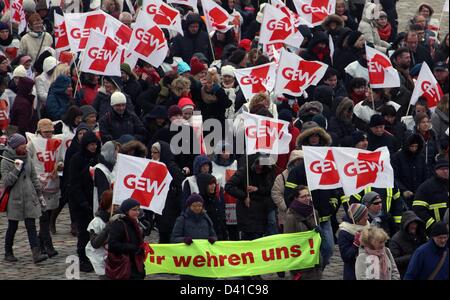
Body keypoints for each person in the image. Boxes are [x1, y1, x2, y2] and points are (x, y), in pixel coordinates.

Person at [1, 133, 47, 263]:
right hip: (14, 200)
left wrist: (39, 194)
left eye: (25, 144)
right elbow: (6, 181)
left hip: (29, 197)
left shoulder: (27, 157)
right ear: (15, 146)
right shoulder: (6, 161)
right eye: (22, 145)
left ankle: (36, 253)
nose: (25, 147)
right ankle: (8, 252)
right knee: (12, 227)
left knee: (31, 226)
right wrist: (16, 169)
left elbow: (33, 176)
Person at [27, 119, 64, 258]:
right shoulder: (32, 144)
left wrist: (59, 165)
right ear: (39, 131)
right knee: (43, 215)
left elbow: (60, 158)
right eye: (46, 132)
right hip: (39, 183)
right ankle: (48, 245)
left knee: (48, 215)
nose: (49, 135)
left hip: (53, 182)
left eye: (50, 132)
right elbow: (28, 161)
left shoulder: (56, 142)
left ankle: (42, 243)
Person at [68, 131, 101, 272]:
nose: (93, 147)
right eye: (91, 144)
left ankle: (93, 257)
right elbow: (74, 183)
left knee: (95, 231)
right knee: (83, 232)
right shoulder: (77, 159)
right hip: (81, 203)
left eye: (95, 144)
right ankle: (82, 259)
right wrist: (82, 202)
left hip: (95, 201)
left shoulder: (99, 158)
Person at [225, 153, 275, 241]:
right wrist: (244, 196)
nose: (259, 166)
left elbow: (270, 189)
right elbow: (229, 186)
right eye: (257, 163)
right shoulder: (244, 172)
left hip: (262, 213)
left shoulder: (267, 172)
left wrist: (258, 189)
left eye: (262, 164)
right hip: (247, 213)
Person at [170, 194, 217, 280]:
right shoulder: (182, 219)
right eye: (194, 206)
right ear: (189, 206)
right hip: (188, 261)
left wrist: (212, 239)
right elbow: (174, 238)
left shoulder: (206, 219)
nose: (197, 208)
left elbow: (213, 235)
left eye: (199, 206)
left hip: (205, 261)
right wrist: (184, 240)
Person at [284, 185, 322, 280]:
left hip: (314, 258)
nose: (307, 198)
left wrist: (319, 233)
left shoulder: (314, 212)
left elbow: (318, 239)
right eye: (303, 196)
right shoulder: (291, 217)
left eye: (308, 195)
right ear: (296, 198)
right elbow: (289, 242)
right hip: (301, 262)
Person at [151, 141, 184, 244]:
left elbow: (180, 184)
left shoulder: (170, 166)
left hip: (170, 207)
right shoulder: (153, 165)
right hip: (159, 205)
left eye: (155, 152)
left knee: (168, 235)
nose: (152, 155)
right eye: (152, 152)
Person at [107, 198, 146, 280]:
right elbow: (112, 244)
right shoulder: (119, 224)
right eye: (134, 210)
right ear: (126, 210)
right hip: (125, 265)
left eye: (138, 210)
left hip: (135, 263)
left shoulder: (135, 222)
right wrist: (132, 247)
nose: (137, 212)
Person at [211, 141, 239, 240]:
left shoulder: (235, 163)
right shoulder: (212, 165)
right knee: (221, 225)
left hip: (232, 199)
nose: (226, 153)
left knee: (233, 227)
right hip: (219, 198)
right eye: (223, 151)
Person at [413, 159, 449, 235]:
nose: (445, 171)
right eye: (442, 169)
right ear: (436, 170)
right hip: (435, 232)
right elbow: (418, 209)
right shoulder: (426, 187)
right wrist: (433, 225)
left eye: (447, 169)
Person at [392, 133, 428, 208]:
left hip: (419, 195)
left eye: (416, 146)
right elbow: (394, 177)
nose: (414, 149)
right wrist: (403, 190)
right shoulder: (397, 157)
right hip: (403, 196)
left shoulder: (421, 157)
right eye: (412, 146)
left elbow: (425, 175)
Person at [389, 210, 427, 278]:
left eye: (415, 223)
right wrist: (413, 256)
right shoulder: (395, 240)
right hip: (406, 274)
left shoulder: (420, 235)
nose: (414, 226)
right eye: (411, 224)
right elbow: (394, 261)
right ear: (405, 225)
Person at [86, 190, 114, 279]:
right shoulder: (96, 223)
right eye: (116, 204)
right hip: (101, 259)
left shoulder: (121, 218)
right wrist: (108, 227)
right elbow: (95, 243)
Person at [337, 203, 370, 280]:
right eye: (365, 216)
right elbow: (346, 257)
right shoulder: (344, 232)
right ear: (357, 218)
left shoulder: (367, 226)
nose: (368, 218)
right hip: (353, 272)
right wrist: (356, 244)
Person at [197, 173, 227, 240]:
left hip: (220, 238)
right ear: (204, 185)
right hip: (207, 239)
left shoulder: (216, 198)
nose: (213, 186)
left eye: (214, 183)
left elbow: (221, 218)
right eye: (210, 184)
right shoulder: (198, 201)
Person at [93, 141, 119, 215]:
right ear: (110, 152)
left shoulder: (115, 166)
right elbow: (102, 194)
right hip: (105, 210)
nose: (118, 154)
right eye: (116, 151)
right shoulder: (100, 169)